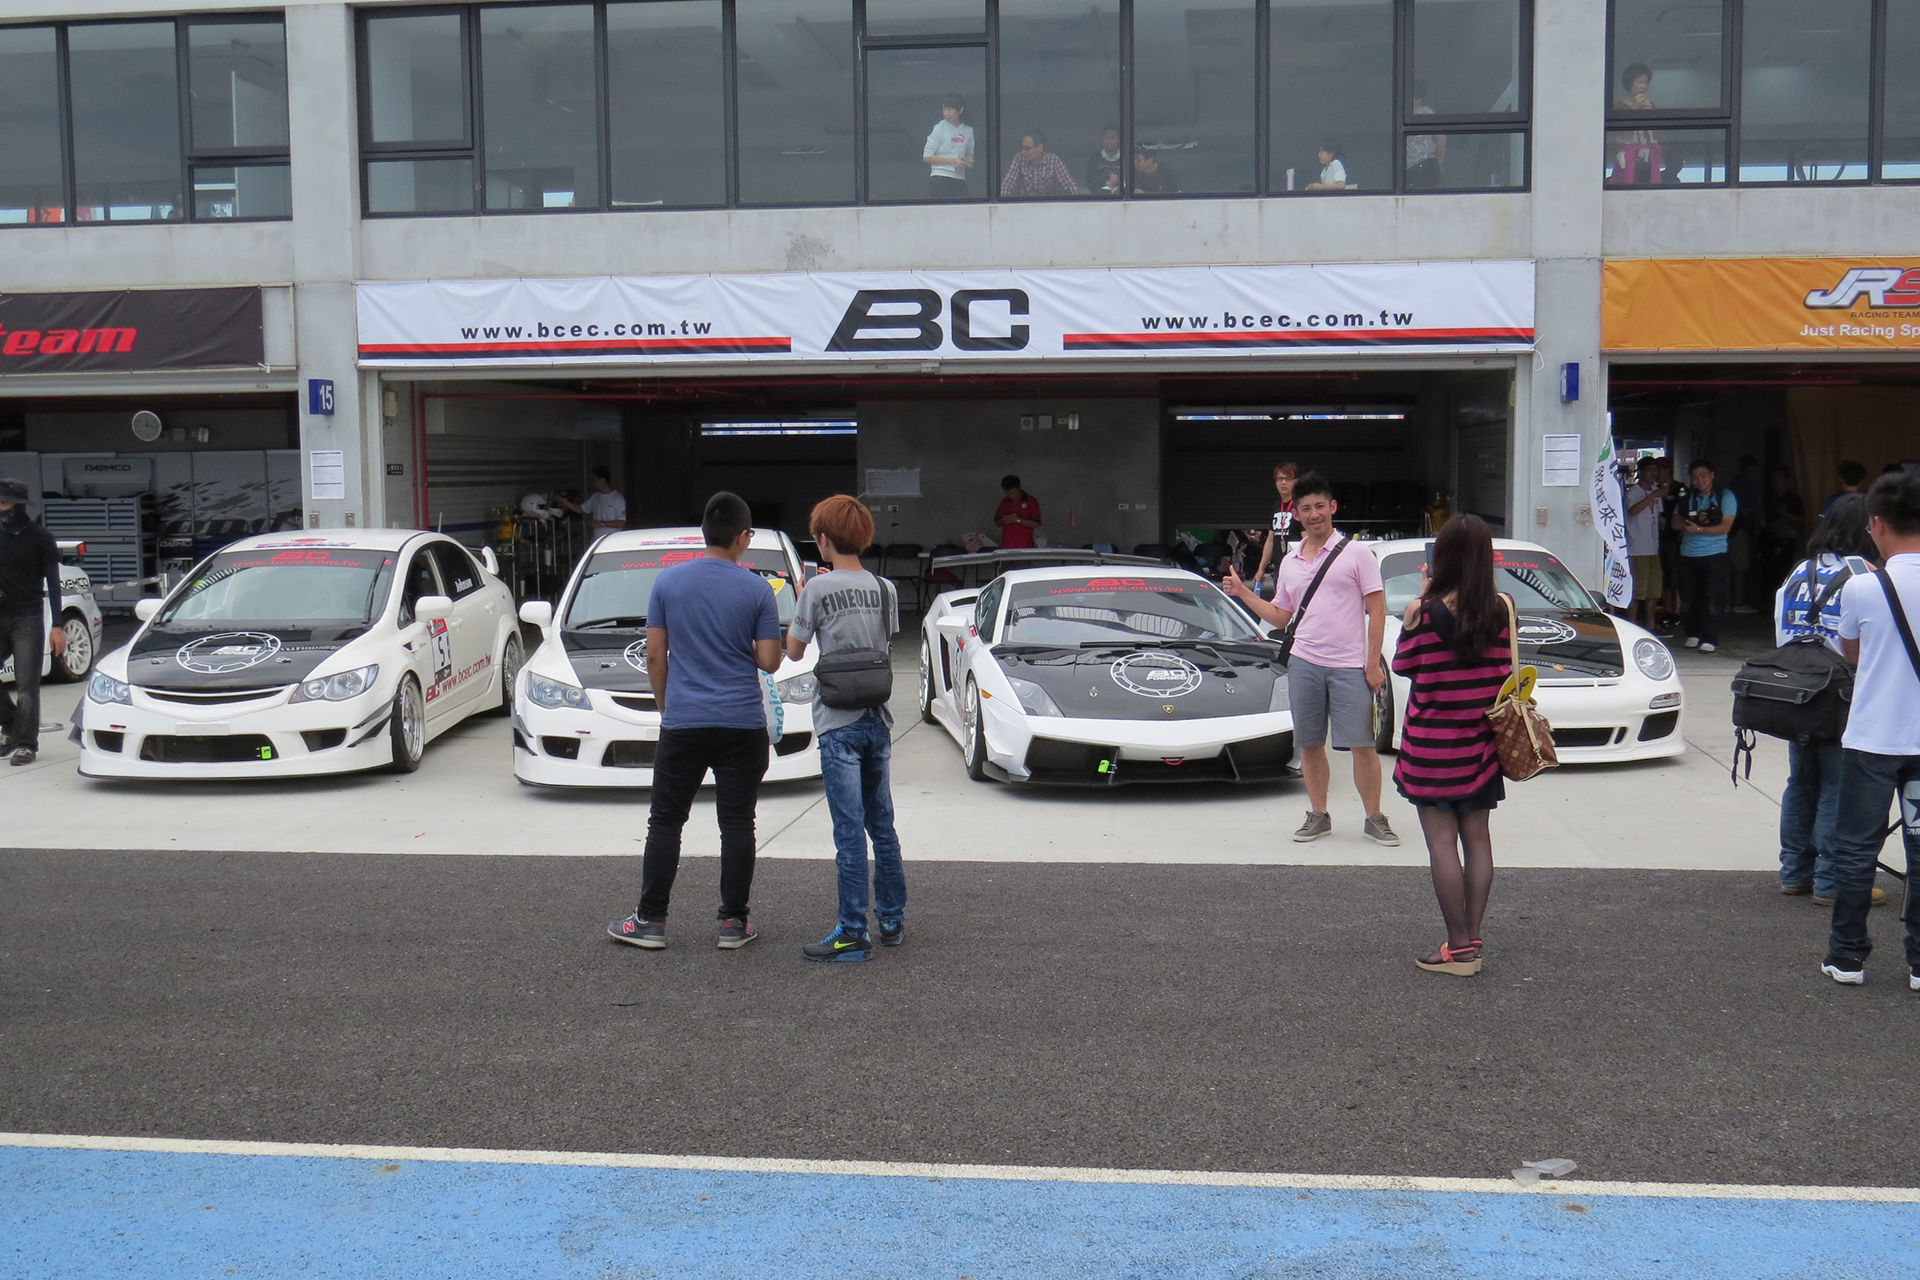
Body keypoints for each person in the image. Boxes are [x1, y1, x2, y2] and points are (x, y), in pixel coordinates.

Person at [607, 492, 782, 952]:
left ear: (704, 533)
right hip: (742, 723)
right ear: (743, 537)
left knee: (666, 821)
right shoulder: (758, 590)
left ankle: (650, 921)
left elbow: (655, 655)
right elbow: (770, 660)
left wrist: (667, 707)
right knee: (738, 823)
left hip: (684, 720)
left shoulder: (668, 582)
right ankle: (733, 923)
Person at [1224, 472, 1399, 848]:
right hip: (1303, 662)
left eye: (1320, 506)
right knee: (1310, 743)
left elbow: (1378, 612)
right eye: (1306, 508)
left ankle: (1375, 817)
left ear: (1333, 507)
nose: (1314, 514)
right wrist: (1242, 593)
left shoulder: (1357, 555)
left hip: (1349, 665)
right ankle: (1319, 814)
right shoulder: (1289, 562)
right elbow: (1280, 617)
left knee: (1362, 745)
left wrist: (1372, 664)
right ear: (1297, 514)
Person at [1390, 514, 1512, 976]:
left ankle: (1457, 948)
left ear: (1441, 558)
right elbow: (1505, 668)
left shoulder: (1423, 612)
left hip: (1431, 746)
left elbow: (1404, 666)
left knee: (1442, 843)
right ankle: (1472, 938)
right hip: (1481, 743)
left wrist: (1420, 603)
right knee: (1478, 840)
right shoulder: (1503, 608)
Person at [787, 495, 905, 962]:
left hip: (837, 721)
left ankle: (853, 932)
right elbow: (882, 640)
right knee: (883, 827)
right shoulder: (885, 588)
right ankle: (891, 920)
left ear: (822, 538)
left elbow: (794, 651)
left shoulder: (816, 589)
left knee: (849, 832)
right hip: (878, 717)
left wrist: (803, 593)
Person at [1818, 470, 1920, 987]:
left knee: (1857, 850)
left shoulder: (1863, 586)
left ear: (1877, 523)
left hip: (1873, 738)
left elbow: (1852, 654)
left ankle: (1848, 957)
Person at [1773, 495, 1883, 907]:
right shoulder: (1865, 574)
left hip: (1795, 690)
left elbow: (1779, 625)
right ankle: (1830, 880)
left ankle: (1794, 872)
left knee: (1800, 783)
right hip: (1839, 695)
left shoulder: (1800, 570)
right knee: (1837, 785)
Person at [0, 477, 67, 766]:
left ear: (18, 505)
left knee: (27, 685)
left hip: (27, 615)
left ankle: (25, 744)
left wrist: (57, 625)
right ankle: (11, 725)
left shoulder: (39, 536)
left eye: (3, 503)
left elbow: (53, 581)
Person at [1673, 458, 1736, 653]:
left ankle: (1710, 637)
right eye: (1695, 477)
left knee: (1712, 596)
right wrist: (1690, 524)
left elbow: (1725, 527)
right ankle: (1693, 633)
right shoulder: (1686, 496)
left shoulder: (1726, 496)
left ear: (1712, 475)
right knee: (1688, 596)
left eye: (1703, 475)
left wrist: (1698, 528)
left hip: (1715, 554)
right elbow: (1674, 522)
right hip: (1688, 554)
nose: (1699, 480)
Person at [1624, 459, 1664, 628]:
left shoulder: (1656, 490)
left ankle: (1650, 625)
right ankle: (1632, 625)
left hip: (1653, 546)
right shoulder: (1633, 492)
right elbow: (1632, 511)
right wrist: (1652, 496)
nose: (1653, 473)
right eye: (1649, 469)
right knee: (1637, 591)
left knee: (1653, 590)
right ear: (1640, 471)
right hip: (1637, 547)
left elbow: (1658, 516)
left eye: (1655, 469)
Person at [1252, 462, 1300, 597]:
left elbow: (1308, 538)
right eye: (1280, 479)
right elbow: (1270, 540)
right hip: (1279, 567)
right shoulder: (1276, 507)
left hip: (1297, 567)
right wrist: (1261, 568)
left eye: (1288, 479)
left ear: (1295, 481)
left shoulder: (1300, 506)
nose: (1283, 483)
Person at [1608, 63, 1661, 184]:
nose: (1643, 86)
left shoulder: (1650, 105)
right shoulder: (1618, 108)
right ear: (1629, 82)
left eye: (1645, 82)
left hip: (1649, 159)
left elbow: (1660, 134)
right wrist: (1634, 109)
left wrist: (1652, 116)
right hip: (1628, 158)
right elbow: (1620, 132)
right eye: (1639, 82)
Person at [923, 93, 975, 199]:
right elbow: (927, 156)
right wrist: (952, 161)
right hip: (940, 176)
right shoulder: (939, 128)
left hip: (960, 178)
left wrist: (966, 162)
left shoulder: (968, 130)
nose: (946, 113)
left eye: (949, 110)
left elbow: (970, 155)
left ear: (960, 110)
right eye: (944, 110)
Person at [1000, 131, 1079, 198]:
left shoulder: (1053, 161)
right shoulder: (1019, 159)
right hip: (1025, 205)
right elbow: (1006, 185)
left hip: (1049, 206)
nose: (1023, 151)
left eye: (1027, 148)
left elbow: (1072, 187)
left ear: (1040, 148)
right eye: (1022, 147)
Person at [1729, 454, 1761, 612]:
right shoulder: (1742, 485)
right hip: (1739, 530)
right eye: (1751, 472)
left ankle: (1730, 602)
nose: (1754, 475)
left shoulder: (1736, 484)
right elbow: (1745, 511)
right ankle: (1738, 602)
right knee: (1739, 568)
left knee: (1735, 567)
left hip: (1734, 530)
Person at [557, 465, 627, 532]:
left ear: (602, 480)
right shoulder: (595, 496)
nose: (593, 482)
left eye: (595, 479)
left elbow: (622, 522)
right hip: (597, 538)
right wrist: (564, 501)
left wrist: (601, 523)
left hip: (612, 538)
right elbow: (580, 509)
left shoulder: (618, 499)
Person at [1405, 81, 1445, 188]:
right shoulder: (1404, 116)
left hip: (1424, 168)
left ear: (1418, 99)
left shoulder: (1425, 114)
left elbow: (1441, 139)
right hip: (1412, 171)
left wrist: (1438, 164)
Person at [994, 475, 1041, 550]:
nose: (1010, 496)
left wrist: (1017, 520)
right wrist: (1004, 519)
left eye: (1013, 492)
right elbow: (997, 523)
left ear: (1019, 488)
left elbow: (1036, 524)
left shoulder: (1031, 501)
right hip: (1006, 547)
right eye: (1007, 493)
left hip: (1025, 547)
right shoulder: (1004, 502)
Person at [1085, 124, 1123, 195]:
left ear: (1119, 139)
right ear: (1102, 139)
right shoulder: (1094, 160)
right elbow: (1090, 183)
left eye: (1112, 138)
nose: (1109, 141)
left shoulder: (1125, 159)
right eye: (1106, 138)